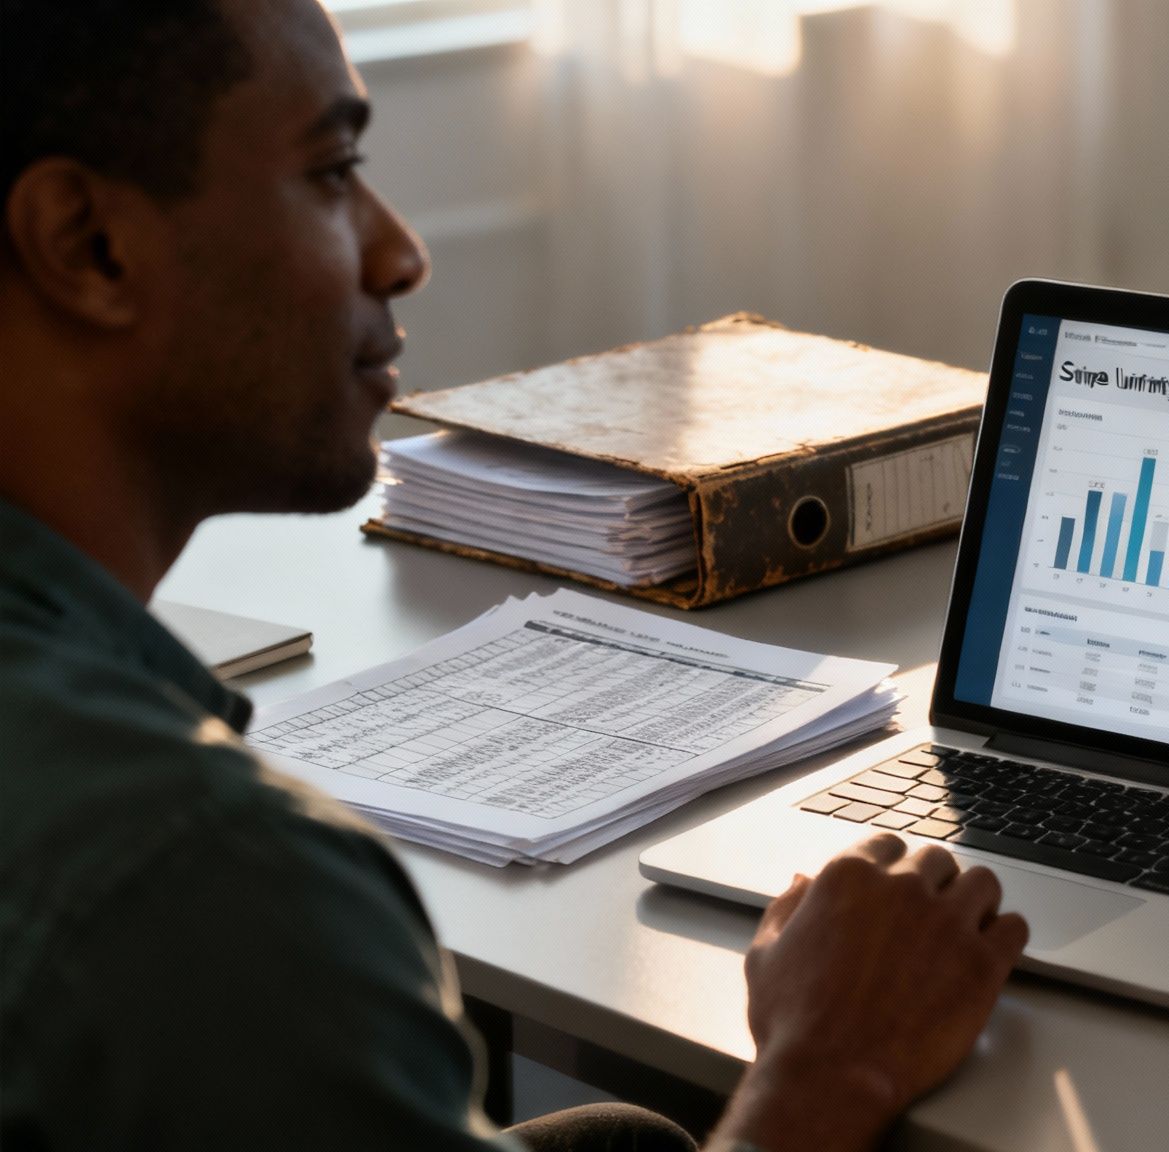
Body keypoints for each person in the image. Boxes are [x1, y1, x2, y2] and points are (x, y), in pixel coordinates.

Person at [0, 2, 1026, 1150]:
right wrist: (832, 1066)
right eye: (331, 173)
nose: (401, 253)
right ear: (87, 244)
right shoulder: (209, 880)